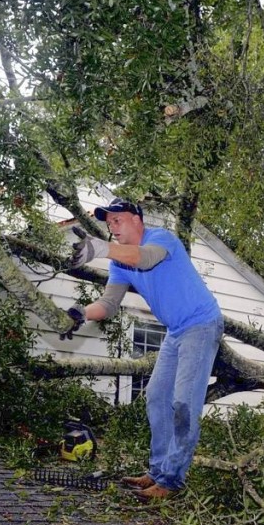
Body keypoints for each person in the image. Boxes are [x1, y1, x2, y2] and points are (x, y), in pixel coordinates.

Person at [63, 197, 223, 500]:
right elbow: (108, 305)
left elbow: (147, 258)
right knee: (156, 397)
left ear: (137, 219)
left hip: (202, 325)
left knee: (184, 403)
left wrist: (101, 248)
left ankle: (172, 481)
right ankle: (157, 471)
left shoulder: (161, 238)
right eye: (108, 224)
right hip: (176, 332)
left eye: (117, 220)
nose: (112, 227)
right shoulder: (120, 263)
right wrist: (81, 314)